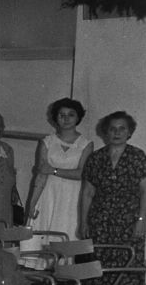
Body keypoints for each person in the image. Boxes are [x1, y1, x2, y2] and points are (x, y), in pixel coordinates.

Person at [80, 110, 146, 285]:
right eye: (112, 129)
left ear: (129, 132)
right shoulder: (96, 158)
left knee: (129, 260)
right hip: (100, 221)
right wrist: (83, 222)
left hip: (129, 220)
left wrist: (141, 221)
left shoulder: (137, 156)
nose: (117, 133)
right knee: (98, 262)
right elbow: (87, 193)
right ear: (106, 132)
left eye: (122, 129)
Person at [22, 98, 93, 255]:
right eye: (62, 115)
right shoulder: (47, 142)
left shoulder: (86, 144)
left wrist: (53, 170)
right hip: (48, 195)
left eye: (71, 114)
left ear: (78, 117)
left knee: (67, 235)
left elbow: (82, 173)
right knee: (43, 237)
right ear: (55, 118)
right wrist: (32, 204)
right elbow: (41, 174)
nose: (66, 119)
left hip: (72, 197)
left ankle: (66, 276)